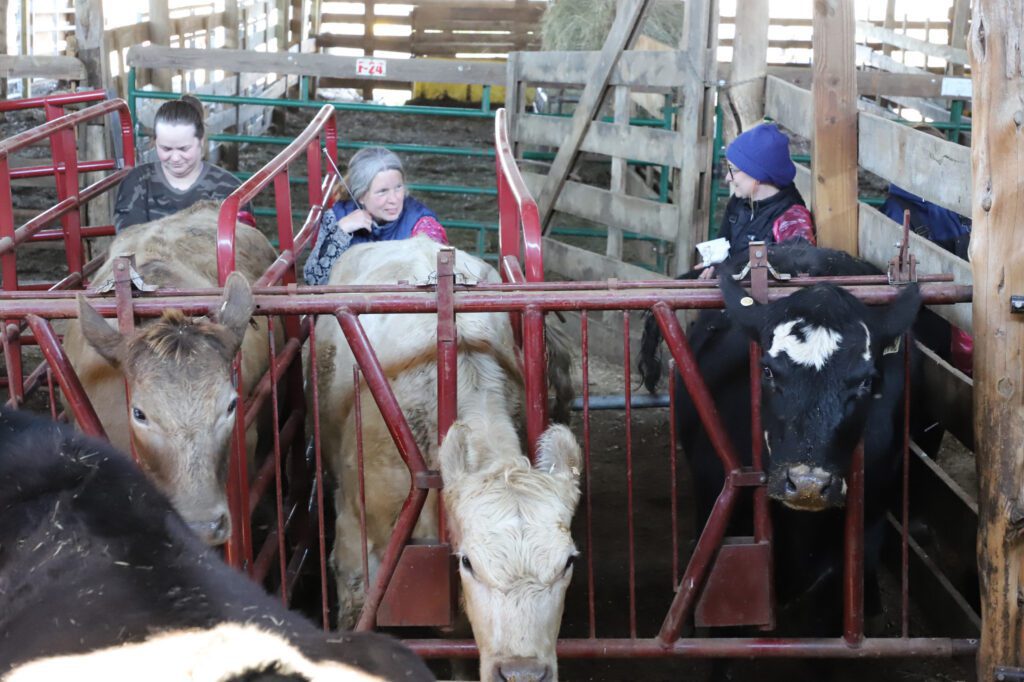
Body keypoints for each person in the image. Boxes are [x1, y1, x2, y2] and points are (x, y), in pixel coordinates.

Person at [303, 146, 448, 286]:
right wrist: (340, 231)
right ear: (360, 196)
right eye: (382, 191)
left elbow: (438, 279)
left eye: (398, 187)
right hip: (350, 307)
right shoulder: (338, 217)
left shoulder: (423, 224)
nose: (394, 199)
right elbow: (314, 280)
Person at [114, 95, 250, 231]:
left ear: (201, 141)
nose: (175, 158)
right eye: (166, 148)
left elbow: (242, 243)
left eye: (184, 149)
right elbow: (128, 242)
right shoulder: (136, 182)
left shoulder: (229, 189)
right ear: (155, 142)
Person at [700, 123, 816, 279]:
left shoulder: (791, 218)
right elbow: (723, 245)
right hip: (734, 286)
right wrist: (713, 265)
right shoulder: (739, 202)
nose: (728, 178)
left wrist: (727, 273)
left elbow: (797, 273)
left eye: (734, 170)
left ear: (758, 174)